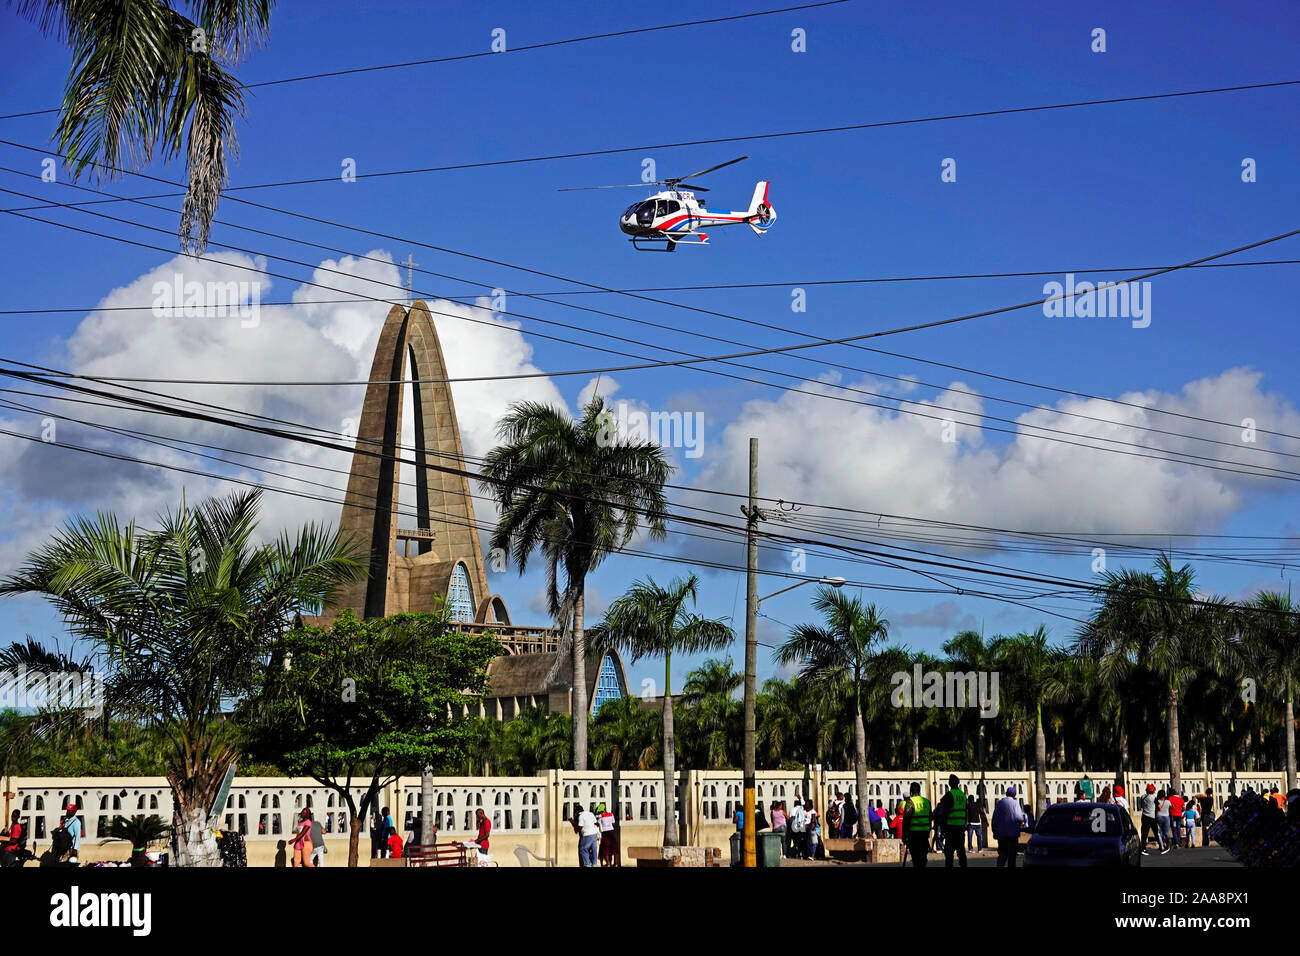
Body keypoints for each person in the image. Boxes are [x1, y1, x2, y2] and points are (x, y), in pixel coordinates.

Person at [938, 774, 968, 867]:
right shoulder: (963, 795)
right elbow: (966, 811)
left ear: (950, 783)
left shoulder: (949, 795)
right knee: (961, 850)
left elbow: (944, 813)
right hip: (960, 827)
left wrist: (942, 828)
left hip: (951, 827)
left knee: (949, 852)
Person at [991, 786, 1026, 867]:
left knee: (1002, 855)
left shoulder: (1000, 803)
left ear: (1006, 793)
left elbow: (994, 819)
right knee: (1012, 856)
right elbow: (1019, 817)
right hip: (1012, 835)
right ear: (1014, 795)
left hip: (1001, 834)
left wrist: (994, 831)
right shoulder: (1015, 803)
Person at [901, 782, 931, 867]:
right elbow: (930, 817)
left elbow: (906, 820)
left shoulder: (910, 802)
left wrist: (904, 835)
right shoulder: (926, 801)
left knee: (916, 856)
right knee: (923, 855)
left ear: (911, 791)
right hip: (925, 833)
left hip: (914, 834)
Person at [1139, 784, 1162, 855]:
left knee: (1144, 834)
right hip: (1152, 817)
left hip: (1144, 816)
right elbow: (1159, 807)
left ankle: (1143, 849)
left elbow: (1141, 806)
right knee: (1156, 833)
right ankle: (1162, 847)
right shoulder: (1154, 798)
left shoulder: (1142, 797)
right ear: (1153, 791)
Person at [1155, 789, 1172, 854]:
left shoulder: (1157, 801)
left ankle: (1162, 844)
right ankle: (1169, 841)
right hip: (1166, 817)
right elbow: (1170, 810)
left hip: (1159, 816)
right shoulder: (1168, 801)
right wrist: (1171, 817)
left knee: (1160, 832)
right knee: (1166, 831)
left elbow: (1156, 810)